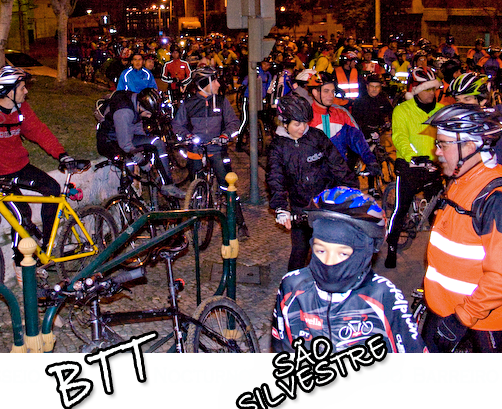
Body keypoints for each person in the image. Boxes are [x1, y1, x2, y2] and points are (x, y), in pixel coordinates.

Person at [422, 103, 502, 352]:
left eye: (443, 144)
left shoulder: (499, 198)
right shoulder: (462, 181)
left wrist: (461, 318)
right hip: (446, 307)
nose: (436, 151)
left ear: (470, 146)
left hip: (487, 320)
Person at [0, 66, 81, 274]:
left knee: (52, 189)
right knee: (22, 215)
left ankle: (47, 248)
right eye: (22, 88)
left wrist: (62, 154)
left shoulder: (22, 110)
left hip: (19, 167)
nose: (26, 91)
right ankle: (22, 264)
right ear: (7, 91)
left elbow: (40, 132)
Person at [271, 186, 427, 353]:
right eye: (320, 250)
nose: (329, 262)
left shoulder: (383, 296)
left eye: (343, 253)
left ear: (363, 253)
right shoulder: (291, 287)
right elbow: (281, 351)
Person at [266, 94, 353, 271]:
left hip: (325, 204)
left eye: (305, 123)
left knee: (325, 253)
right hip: (300, 208)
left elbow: (338, 165)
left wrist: (352, 192)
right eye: (297, 124)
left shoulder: (317, 137)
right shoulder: (278, 146)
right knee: (299, 252)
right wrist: (281, 207)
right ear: (285, 124)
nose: (303, 128)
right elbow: (275, 177)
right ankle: (291, 287)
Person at [172, 66, 249, 237]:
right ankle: (196, 212)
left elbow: (233, 123)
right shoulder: (189, 103)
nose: (218, 84)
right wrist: (187, 136)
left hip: (217, 148)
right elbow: (177, 125)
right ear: (204, 83)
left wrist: (225, 135)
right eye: (214, 81)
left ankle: (240, 222)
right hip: (196, 149)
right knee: (195, 184)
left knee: (227, 185)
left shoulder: (221, 101)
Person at [386, 67, 444, 269]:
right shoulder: (402, 110)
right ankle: (391, 247)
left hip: (434, 166)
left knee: (439, 213)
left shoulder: (441, 110)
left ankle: (439, 254)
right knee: (400, 209)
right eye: (427, 89)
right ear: (417, 91)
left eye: (433, 89)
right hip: (410, 166)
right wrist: (412, 156)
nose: (431, 93)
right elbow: (400, 136)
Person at [96, 88, 186, 199]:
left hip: (124, 137)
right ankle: (126, 197)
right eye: (148, 113)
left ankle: (167, 184)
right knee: (129, 160)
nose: (149, 117)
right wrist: (142, 162)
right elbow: (125, 145)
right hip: (109, 141)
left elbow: (138, 130)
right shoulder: (124, 112)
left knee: (156, 143)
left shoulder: (135, 103)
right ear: (141, 106)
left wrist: (144, 147)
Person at [306, 72, 380, 183]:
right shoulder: (305, 116)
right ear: (315, 92)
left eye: (333, 91)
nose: (331, 95)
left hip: (340, 172)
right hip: (315, 176)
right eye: (326, 91)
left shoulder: (341, 113)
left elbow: (357, 139)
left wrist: (370, 160)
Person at [449, 72, 502, 173]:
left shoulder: (499, 115)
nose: (461, 104)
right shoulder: (463, 119)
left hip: (499, 175)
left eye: (467, 99)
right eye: (458, 100)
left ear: (482, 100)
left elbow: (497, 126)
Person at [351, 74, 394, 197]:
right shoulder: (360, 100)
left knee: (374, 159)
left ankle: (372, 187)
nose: (374, 89)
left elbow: (391, 112)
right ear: (367, 87)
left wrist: (389, 123)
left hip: (377, 131)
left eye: (377, 87)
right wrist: (364, 132)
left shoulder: (382, 99)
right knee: (354, 158)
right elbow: (355, 119)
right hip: (361, 132)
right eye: (372, 86)